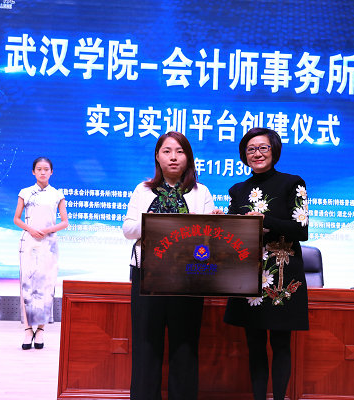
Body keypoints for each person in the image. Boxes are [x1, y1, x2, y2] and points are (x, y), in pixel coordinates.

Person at [122, 131, 219, 400]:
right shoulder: (143, 190)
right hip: (148, 274)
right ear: (157, 156)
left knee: (185, 345)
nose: (173, 157)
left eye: (179, 151)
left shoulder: (201, 192)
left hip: (190, 276)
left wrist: (211, 223)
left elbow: (211, 238)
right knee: (146, 344)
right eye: (167, 151)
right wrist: (154, 222)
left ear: (189, 158)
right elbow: (128, 229)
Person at [224, 127, 309, 400]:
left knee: (281, 344)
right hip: (248, 274)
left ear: (274, 151)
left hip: (281, 274)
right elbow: (231, 234)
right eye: (250, 149)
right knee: (255, 345)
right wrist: (221, 220)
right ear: (244, 155)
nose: (257, 153)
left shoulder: (292, 183)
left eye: (263, 148)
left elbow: (302, 230)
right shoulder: (238, 190)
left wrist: (265, 221)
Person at [13, 157, 68, 350]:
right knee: (27, 286)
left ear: (51, 172)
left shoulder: (57, 194)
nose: (43, 172)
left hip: (49, 243)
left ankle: (41, 329)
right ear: (33, 172)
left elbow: (65, 222)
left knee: (47, 285)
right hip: (29, 242)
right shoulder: (25, 192)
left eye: (46, 169)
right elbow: (16, 219)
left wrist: (46, 230)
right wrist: (31, 229)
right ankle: (28, 329)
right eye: (39, 169)